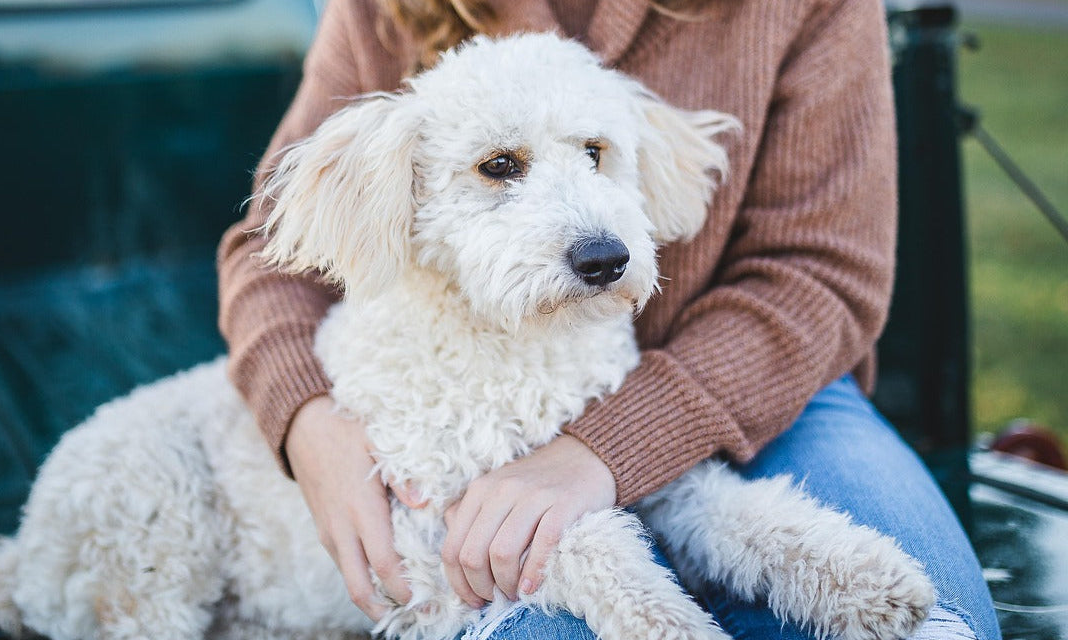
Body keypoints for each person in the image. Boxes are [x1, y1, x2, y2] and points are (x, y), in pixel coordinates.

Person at [216, 0, 1001, 638]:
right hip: (464, 387)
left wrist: (606, 446)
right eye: (500, 168)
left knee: (934, 624)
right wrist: (307, 421)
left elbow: (823, 272)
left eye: (594, 153)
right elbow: (269, 249)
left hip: (766, 385)